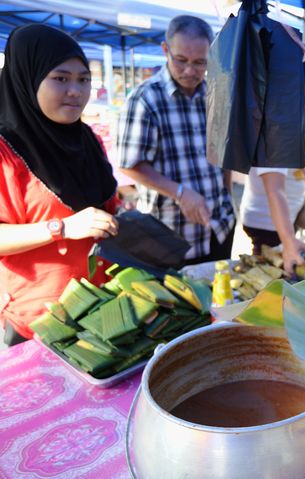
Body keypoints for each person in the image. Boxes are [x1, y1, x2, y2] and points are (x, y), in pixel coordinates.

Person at [0, 25, 119, 346]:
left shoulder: (89, 140)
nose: (76, 91)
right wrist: (61, 227)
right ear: (28, 77)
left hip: (105, 309)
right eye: (60, 78)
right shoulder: (4, 151)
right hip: (41, 322)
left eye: (83, 80)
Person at [117, 15, 235, 266]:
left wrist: (226, 190)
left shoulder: (215, 95)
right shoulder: (145, 99)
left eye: (200, 63)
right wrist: (180, 193)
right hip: (171, 235)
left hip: (219, 226)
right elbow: (129, 164)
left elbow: (224, 152)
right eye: (181, 60)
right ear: (165, 50)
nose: (190, 71)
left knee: (221, 300)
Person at [239, 60, 305, 273]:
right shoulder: (274, 127)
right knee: (267, 277)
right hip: (267, 223)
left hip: (282, 220)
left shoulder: (290, 121)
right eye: (299, 99)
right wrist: (287, 239)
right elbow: (274, 189)